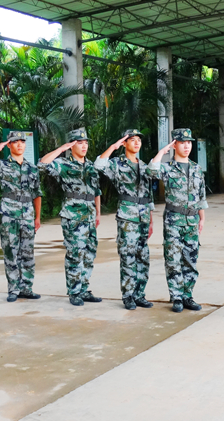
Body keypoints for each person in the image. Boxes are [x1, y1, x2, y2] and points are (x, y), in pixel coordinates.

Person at [39, 127, 102, 306]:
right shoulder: (63, 164)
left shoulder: (91, 166)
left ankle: (84, 288)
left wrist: (98, 212)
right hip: (73, 215)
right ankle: (74, 291)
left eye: (85, 143)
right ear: (71, 146)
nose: (84, 146)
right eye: (79, 143)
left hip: (89, 214)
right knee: (75, 254)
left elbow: (96, 190)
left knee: (89, 254)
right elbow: (42, 164)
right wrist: (61, 149)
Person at [147, 128, 207, 313]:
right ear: (175, 145)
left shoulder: (196, 168)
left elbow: (201, 195)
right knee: (173, 259)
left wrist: (202, 218)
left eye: (189, 142)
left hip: (192, 219)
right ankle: (177, 297)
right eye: (182, 143)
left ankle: (188, 295)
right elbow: (151, 171)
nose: (187, 146)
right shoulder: (167, 167)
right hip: (173, 220)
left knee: (190, 259)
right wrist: (163, 151)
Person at [95, 129, 155, 310]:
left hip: (144, 216)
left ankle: (140, 294)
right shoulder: (117, 163)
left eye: (139, 140)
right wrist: (113, 147)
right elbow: (98, 165)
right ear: (125, 143)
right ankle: (128, 295)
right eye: (132, 140)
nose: (137, 143)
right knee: (128, 256)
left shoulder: (145, 166)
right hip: (127, 216)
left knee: (143, 256)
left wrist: (151, 220)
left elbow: (149, 195)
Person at [0, 131, 42, 302]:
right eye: (15, 142)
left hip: (28, 215)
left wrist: (37, 217)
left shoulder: (32, 168)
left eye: (22, 141)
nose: (20, 144)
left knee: (27, 253)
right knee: (10, 252)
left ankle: (27, 288)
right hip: (9, 214)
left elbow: (37, 193)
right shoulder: (2, 165)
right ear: (9, 145)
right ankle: (13, 289)